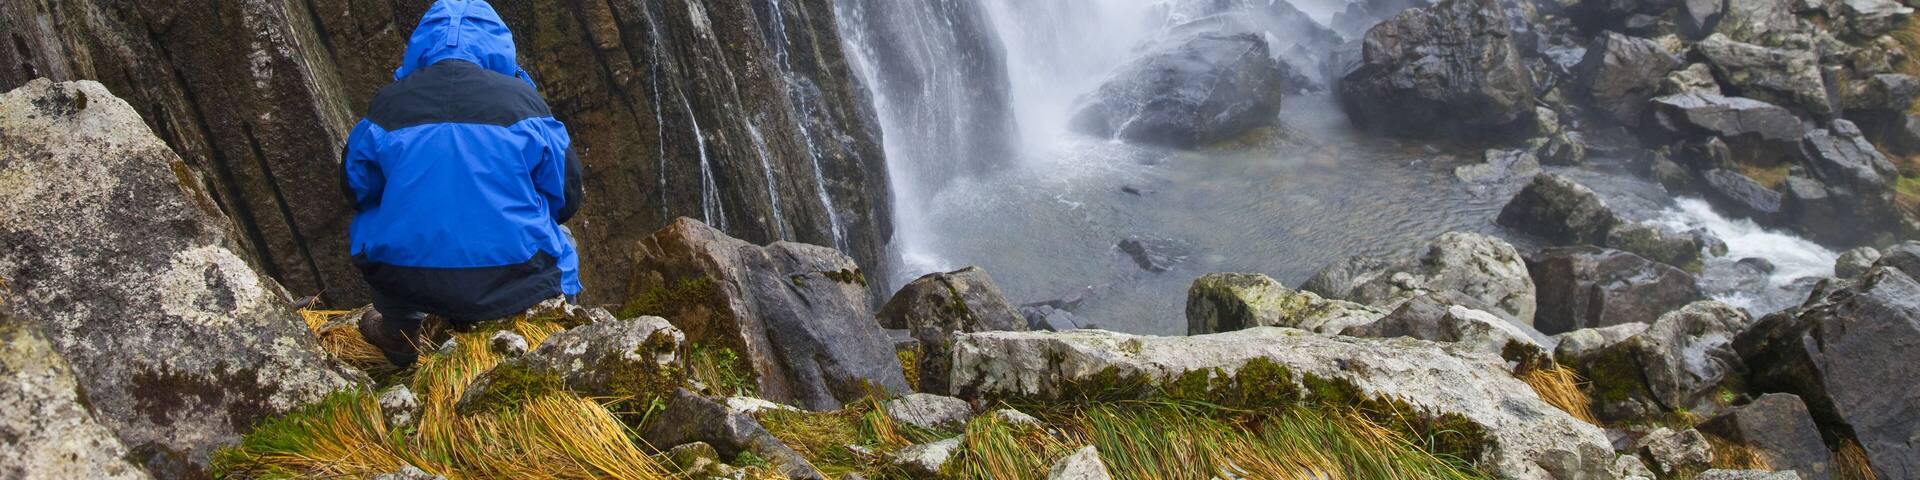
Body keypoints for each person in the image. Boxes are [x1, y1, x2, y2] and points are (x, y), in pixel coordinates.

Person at [342, 0, 582, 368]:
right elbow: (566, 197)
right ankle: (558, 334)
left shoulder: (386, 106)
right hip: (513, 279)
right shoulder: (525, 104)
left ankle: (400, 331)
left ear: (421, 45)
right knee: (563, 241)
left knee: (374, 221)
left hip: (405, 279)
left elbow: (356, 189)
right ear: (498, 45)